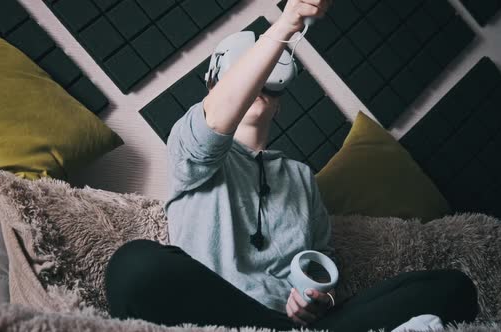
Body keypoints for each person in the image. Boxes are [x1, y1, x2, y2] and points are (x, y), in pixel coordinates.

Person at [104, 0, 480, 331]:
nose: (259, 88)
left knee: (452, 288)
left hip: (289, 325)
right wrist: (287, 23)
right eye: (251, 82)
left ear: (280, 103)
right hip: (215, 314)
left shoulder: (300, 178)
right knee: (133, 266)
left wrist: (316, 302)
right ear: (214, 88)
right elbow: (215, 121)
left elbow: (322, 268)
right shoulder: (190, 144)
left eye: (269, 85)